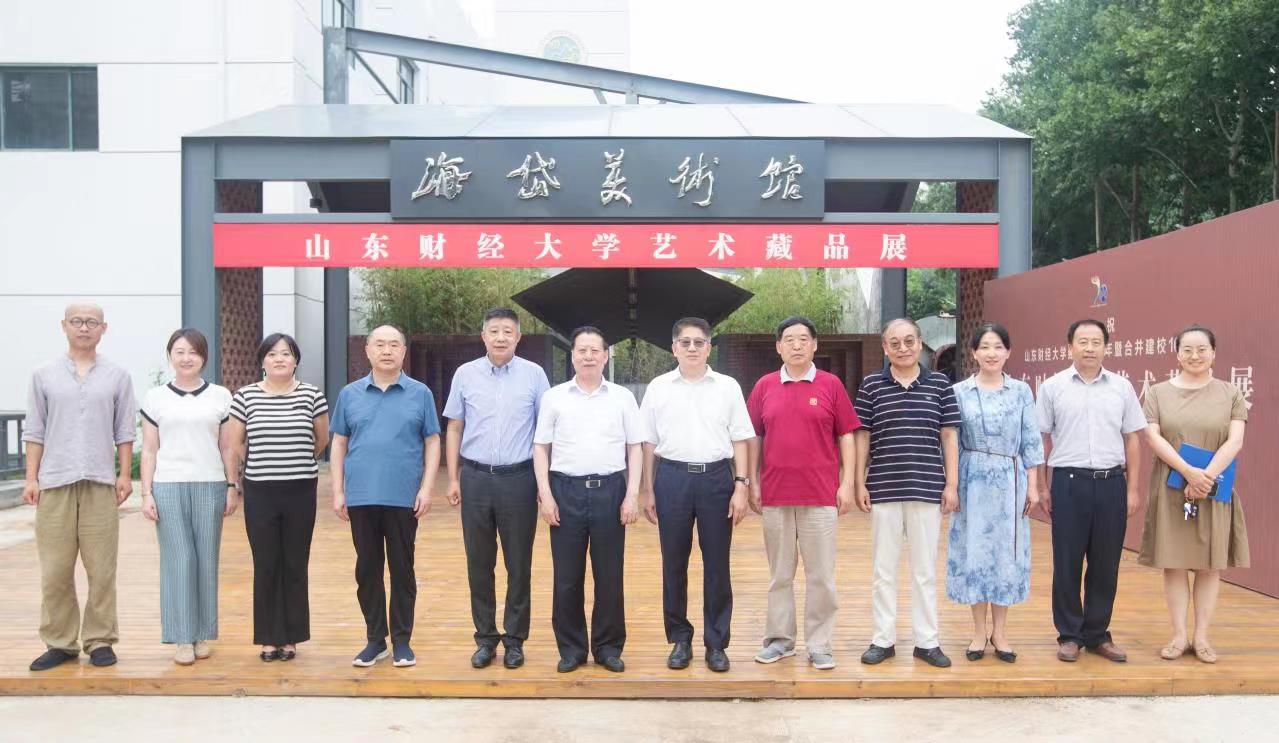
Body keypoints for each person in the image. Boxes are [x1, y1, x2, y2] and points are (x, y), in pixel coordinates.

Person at [23, 303, 137, 671]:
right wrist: (31, 477)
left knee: (101, 569)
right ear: (64, 326)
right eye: (77, 321)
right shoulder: (43, 375)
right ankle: (60, 642)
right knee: (55, 570)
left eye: (91, 322)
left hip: (100, 481)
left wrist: (124, 474)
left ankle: (100, 640)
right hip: (55, 482)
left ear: (104, 328)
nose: (84, 328)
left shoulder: (118, 376)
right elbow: (35, 430)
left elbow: (124, 430)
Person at [640, 317, 755, 673]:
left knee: (717, 564)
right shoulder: (658, 387)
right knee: (673, 563)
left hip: (717, 480)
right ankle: (680, 639)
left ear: (709, 347)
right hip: (671, 478)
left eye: (699, 342)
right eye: (685, 342)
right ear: (674, 348)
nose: (692, 348)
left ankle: (716, 643)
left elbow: (741, 439)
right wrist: (648, 488)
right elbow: (648, 443)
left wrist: (741, 485)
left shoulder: (727, 387)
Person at [747, 316, 859, 671]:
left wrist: (847, 483)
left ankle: (820, 644)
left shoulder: (831, 385)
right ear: (778, 347)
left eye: (803, 339)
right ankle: (780, 641)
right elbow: (754, 437)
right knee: (780, 575)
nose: (796, 345)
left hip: (820, 496)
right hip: (775, 495)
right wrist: (752, 481)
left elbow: (846, 435)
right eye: (789, 339)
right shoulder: (764, 386)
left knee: (821, 576)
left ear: (815, 345)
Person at [443, 308, 550, 670]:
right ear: (483, 336)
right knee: (479, 562)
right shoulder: (465, 374)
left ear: (518, 337)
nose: (501, 337)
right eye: (494, 331)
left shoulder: (534, 375)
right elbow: (454, 427)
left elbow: (545, 432)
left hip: (519, 479)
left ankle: (515, 640)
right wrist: (453, 477)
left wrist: (543, 482)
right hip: (475, 478)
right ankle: (485, 638)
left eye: (508, 331)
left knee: (519, 564)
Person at [533, 326, 644, 673]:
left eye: (595, 350)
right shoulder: (555, 397)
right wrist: (546, 495)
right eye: (582, 350)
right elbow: (541, 447)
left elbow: (635, 447)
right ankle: (571, 649)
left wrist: (632, 494)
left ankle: (608, 648)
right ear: (573, 356)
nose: (588, 356)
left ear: (606, 356)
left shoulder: (622, 398)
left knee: (609, 575)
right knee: (567, 577)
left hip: (610, 490)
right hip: (565, 491)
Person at [331, 325, 441, 669]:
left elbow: (432, 441)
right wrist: (338, 490)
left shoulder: (420, 393)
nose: (387, 351)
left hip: (403, 496)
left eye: (394, 345)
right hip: (361, 496)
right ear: (368, 351)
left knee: (402, 569)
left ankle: (402, 641)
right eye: (380, 344)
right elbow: (339, 442)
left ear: (404, 352)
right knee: (367, 569)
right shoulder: (350, 394)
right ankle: (375, 640)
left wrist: (426, 488)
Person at [1037, 319, 1146, 663]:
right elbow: (1042, 439)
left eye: (1096, 342)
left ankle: (1098, 634)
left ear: (1106, 347)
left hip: (1112, 483)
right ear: (1069, 346)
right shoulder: (1052, 387)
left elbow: (1133, 439)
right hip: (1068, 483)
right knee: (1067, 562)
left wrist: (1133, 488)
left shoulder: (1122, 387)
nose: (1089, 348)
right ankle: (1070, 635)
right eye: (1082, 341)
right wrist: (1042, 485)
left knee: (1105, 564)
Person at [855, 317, 960, 669]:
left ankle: (927, 642)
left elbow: (949, 436)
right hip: (883, 488)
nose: (903, 348)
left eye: (909, 341)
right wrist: (858, 482)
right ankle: (882, 640)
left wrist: (951, 484)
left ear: (920, 343)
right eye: (895, 343)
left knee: (924, 571)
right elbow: (862, 436)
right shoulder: (871, 385)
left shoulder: (940, 384)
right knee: (883, 570)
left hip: (927, 488)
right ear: (885, 348)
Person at [1140, 324, 1249, 664]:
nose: (1195, 355)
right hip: (1172, 485)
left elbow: (1235, 441)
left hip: (1214, 487)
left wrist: (1206, 478)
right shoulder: (1158, 392)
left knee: (1208, 565)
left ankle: (1201, 637)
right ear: (1176, 354)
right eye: (1187, 349)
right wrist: (1187, 472)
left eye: (1202, 349)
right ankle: (1178, 635)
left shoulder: (1231, 393)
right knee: (1174, 564)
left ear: (1214, 353)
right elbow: (1152, 437)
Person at [226, 333, 329, 662]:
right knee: (266, 563)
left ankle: (292, 637)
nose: (279, 359)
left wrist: (296, 461)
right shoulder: (245, 396)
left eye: (286, 353)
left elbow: (321, 439)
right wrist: (260, 463)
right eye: (272, 354)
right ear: (262, 361)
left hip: (300, 489)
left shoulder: (312, 395)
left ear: (296, 360)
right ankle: (269, 638)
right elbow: (236, 442)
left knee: (295, 563)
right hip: (261, 491)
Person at [945, 323, 1044, 664]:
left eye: (998, 347)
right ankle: (977, 631)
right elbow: (952, 441)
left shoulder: (1021, 391)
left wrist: (1033, 485)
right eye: (985, 347)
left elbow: (1031, 439)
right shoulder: (959, 392)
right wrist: (952, 485)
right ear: (974, 352)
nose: (991, 353)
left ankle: (1000, 632)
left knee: (1004, 554)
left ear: (1008, 352)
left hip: (1009, 480)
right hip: (971, 479)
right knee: (975, 551)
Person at [139, 328, 238, 665]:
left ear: (203, 357)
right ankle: (182, 637)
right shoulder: (155, 398)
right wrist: (146, 493)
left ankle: (201, 634)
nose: (186, 358)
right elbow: (149, 450)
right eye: (179, 352)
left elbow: (227, 447)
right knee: (179, 560)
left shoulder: (220, 396)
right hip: (168, 485)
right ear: (170, 356)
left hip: (210, 483)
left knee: (206, 559)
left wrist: (231, 486)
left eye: (193, 352)